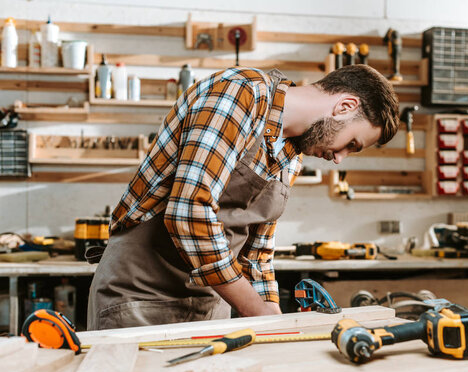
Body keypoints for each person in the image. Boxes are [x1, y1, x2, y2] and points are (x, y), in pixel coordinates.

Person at [87, 65, 400, 330]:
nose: (339, 158)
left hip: (211, 306)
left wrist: (272, 316)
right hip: (142, 296)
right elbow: (189, 212)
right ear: (344, 106)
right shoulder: (238, 95)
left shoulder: (291, 154)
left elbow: (257, 252)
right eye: (352, 144)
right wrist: (255, 310)